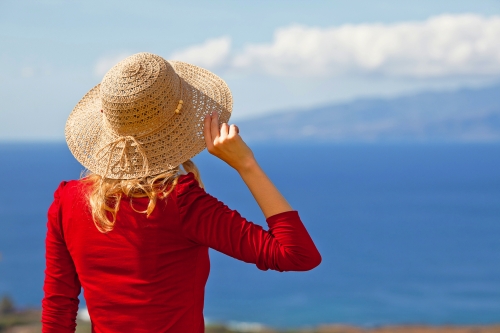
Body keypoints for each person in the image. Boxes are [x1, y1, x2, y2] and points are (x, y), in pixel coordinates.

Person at [42, 52, 321, 333]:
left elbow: (58, 308)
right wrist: (246, 164)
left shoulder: (68, 200)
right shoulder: (182, 205)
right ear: (182, 119)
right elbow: (297, 254)